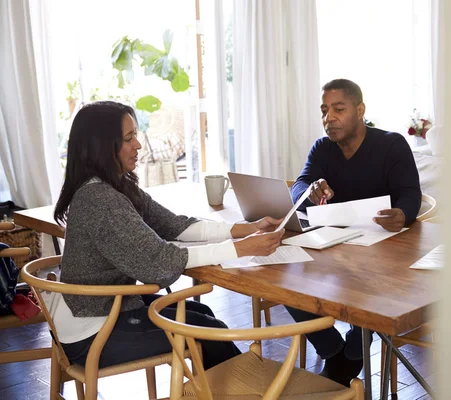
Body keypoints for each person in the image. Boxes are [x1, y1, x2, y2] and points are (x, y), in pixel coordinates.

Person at [51, 101, 284, 369]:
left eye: (135, 135)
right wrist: (241, 248)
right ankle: (247, 392)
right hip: (91, 335)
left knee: (202, 314)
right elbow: (159, 262)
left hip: (104, 311)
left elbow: (174, 226)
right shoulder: (100, 199)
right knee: (209, 333)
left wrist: (246, 229)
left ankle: (222, 391)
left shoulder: (114, 186)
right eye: (128, 138)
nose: (138, 144)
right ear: (101, 147)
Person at [287, 79, 422, 385]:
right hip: (335, 249)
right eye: (324, 110)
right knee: (284, 279)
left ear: (359, 110)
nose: (328, 118)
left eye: (338, 109)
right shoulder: (323, 148)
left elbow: (411, 194)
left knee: (370, 286)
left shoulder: (391, 145)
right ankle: (335, 350)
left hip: (384, 253)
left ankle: (352, 352)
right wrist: (309, 190)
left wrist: (401, 214)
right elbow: (299, 185)